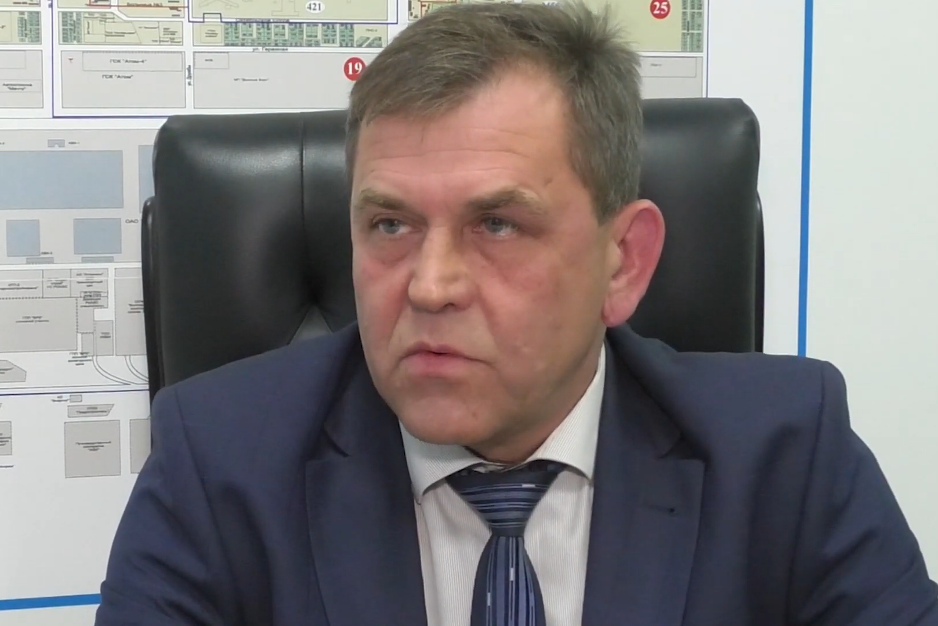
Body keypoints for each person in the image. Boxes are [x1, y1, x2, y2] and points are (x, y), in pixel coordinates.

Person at [95, 2, 938, 625]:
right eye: (389, 225)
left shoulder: (787, 456)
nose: (429, 286)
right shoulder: (218, 465)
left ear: (623, 261)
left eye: (497, 225)